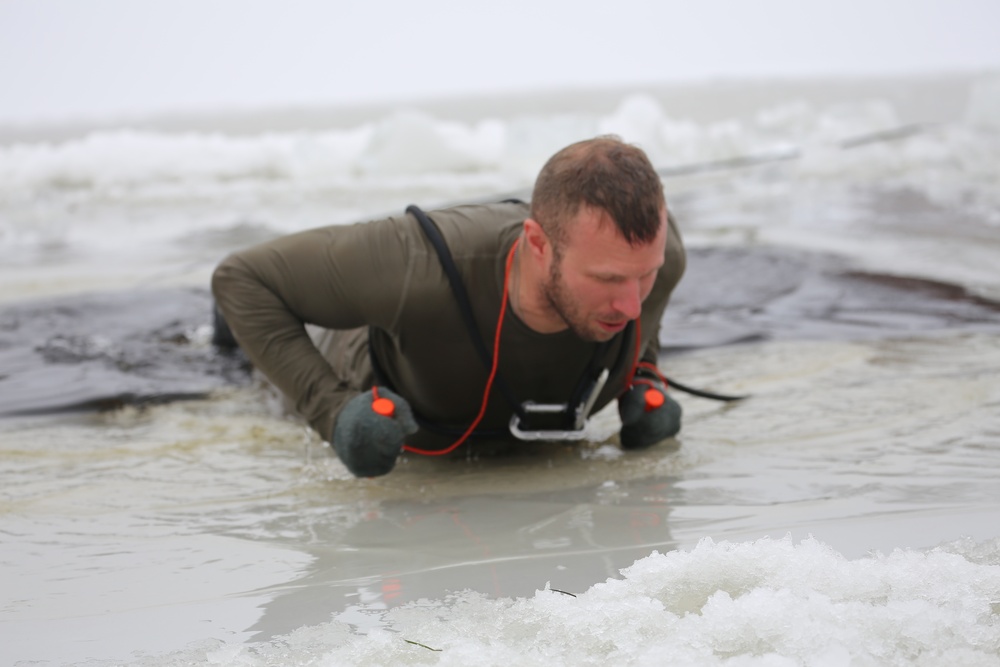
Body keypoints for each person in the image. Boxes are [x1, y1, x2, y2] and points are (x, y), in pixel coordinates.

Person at [211, 135, 686, 477]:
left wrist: (643, 374)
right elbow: (242, 279)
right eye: (607, 279)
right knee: (227, 356)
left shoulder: (663, 264)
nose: (629, 305)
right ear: (538, 244)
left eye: (643, 276)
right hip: (348, 341)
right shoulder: (415, 264)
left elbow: (645, 311)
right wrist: (332, 414)